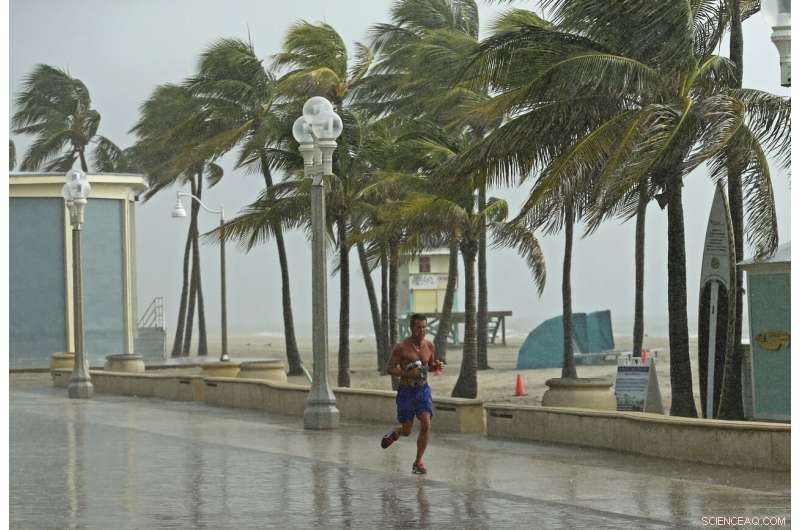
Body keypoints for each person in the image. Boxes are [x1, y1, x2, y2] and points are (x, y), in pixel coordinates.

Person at [379, 313, 444, 474]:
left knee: (426, 423)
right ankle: (396, 433)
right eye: (418, 327)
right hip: (406, 392)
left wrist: (435, 367)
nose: (421, 331)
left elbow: (428, 365)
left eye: (424, 327)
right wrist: (409, 374)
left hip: (422, 390)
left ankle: (418, 462)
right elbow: (390, 368)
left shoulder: (429, 346)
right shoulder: (401, 347)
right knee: (407, 430)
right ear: (411, 328)